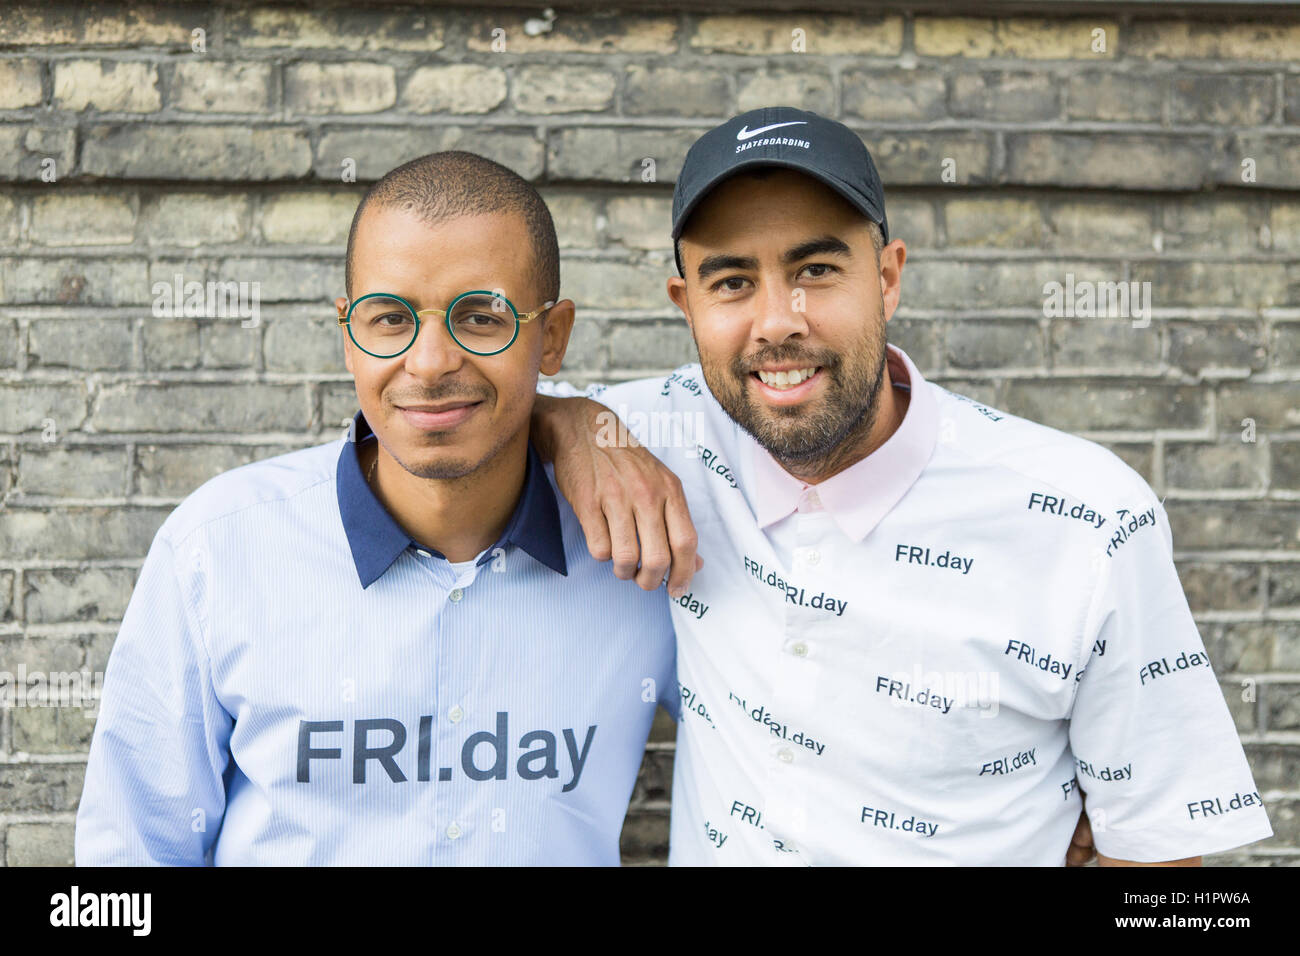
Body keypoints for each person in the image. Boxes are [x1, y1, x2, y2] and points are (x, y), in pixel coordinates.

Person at [532, 106, 1273, 865]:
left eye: (816, 271)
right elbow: (437, 407)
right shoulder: (661, 434)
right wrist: (570, 424)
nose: (777, 322)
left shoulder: (1088, 517)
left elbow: (1158, 847)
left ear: (887, 279)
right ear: (687, 305)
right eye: (731, 281)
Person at [75, 151, 676, 866]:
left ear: (553, 337)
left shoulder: (644, 550)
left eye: (480, 317)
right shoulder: (216, 552)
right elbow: (132, 859)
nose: (428, 363)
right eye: (389, 319)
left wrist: (581, 419)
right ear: (347, 335)